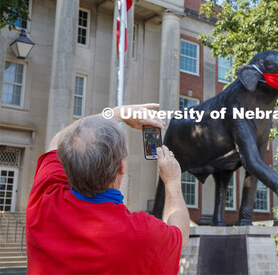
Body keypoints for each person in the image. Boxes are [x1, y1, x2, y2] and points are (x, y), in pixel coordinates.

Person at [26, 104, 189, 274]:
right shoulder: (144, 234)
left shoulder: (43, 200)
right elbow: (180, 236)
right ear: (122, 166)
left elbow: (57, 140)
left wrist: (115, 113)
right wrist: (172, 182)